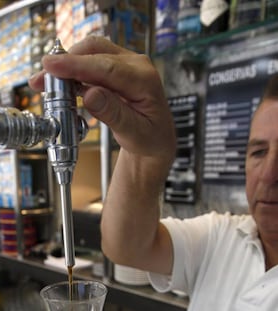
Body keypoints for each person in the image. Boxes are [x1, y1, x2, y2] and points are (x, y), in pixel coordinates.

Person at [29, 35, 278, 311]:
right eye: (258, 152)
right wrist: (143, 152)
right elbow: (126, 246)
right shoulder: (226, 236)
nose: (269, 174)